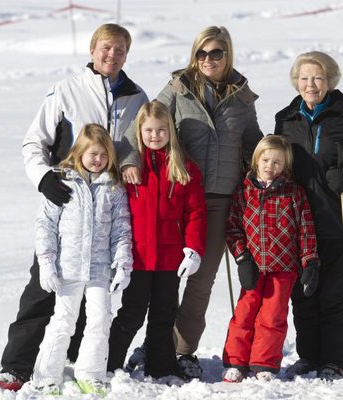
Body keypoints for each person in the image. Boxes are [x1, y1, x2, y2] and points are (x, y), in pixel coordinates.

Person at [0, 23, 148, 391]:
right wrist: (44, 178)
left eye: (120, 49)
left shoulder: (136, 97)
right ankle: (16, 365)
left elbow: (137, 145)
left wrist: (130, 163)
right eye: (106, 48)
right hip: (68, 205)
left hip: (108, 205)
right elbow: (34, 142)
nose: (112, 55)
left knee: (95, 302)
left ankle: (77, 363)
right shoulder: (66, 90)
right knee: (44, 289)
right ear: (92, 50)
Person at [119, 26, 262, 379]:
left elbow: (255, 147)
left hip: (215, 200)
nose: (208, 60)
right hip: (171, 195)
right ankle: (151, 346)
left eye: (216, 53)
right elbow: (141, 128)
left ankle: (181, 350)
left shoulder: (242, 98)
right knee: (158, 280)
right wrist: (130, 161)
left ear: (227, 54)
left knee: (199, 280)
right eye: (202, 53)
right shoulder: (177, 90)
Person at [107, 100, 207, 379]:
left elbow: (196, 212)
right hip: (137, 257)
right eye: (149, 130)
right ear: (139, 131)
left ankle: (160, 368)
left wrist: (193, 249)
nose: (155, 136)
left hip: (169, 258)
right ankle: (107, 363)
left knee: (164, 315)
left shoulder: (184, 168)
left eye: (161, 130)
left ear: (170, 131)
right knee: (131, 315)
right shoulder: (129, 169)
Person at [31, 124, 132, 396]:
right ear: (79, 152)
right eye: (92, 154)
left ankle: (90, 372)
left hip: (100, 269)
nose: (97, 160)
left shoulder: (113, 187)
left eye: (103, 155)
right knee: (63, 320)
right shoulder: (62, 181)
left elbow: (122, 230)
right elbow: (46, 226)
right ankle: (46, 374)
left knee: (100, 320)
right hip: (68, 268)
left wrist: (123, 264)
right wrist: (46, 263)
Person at [222, 135, 319, 383]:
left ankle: (263, 362)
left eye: (277, 162)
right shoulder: (244, 191)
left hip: (283, 269)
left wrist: (310, 262)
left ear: (285, 165)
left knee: (273, 316)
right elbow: (233, 227)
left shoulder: (293, 193)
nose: (270, 166)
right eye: (266, 160)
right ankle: (236, 361)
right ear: (256, 159)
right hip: (253, 267)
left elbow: (305, 230)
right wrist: (242, 257)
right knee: (244, 313)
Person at [274, 51, 343, 381]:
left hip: (335, 220)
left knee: (333, 296)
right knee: (302, 297)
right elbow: (274, 162)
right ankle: (308, 356)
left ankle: (332, 358)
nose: (311, 84)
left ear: (330, 80)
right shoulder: (285, 118)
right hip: (297, 223)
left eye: (317, 77)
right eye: (304, 77)